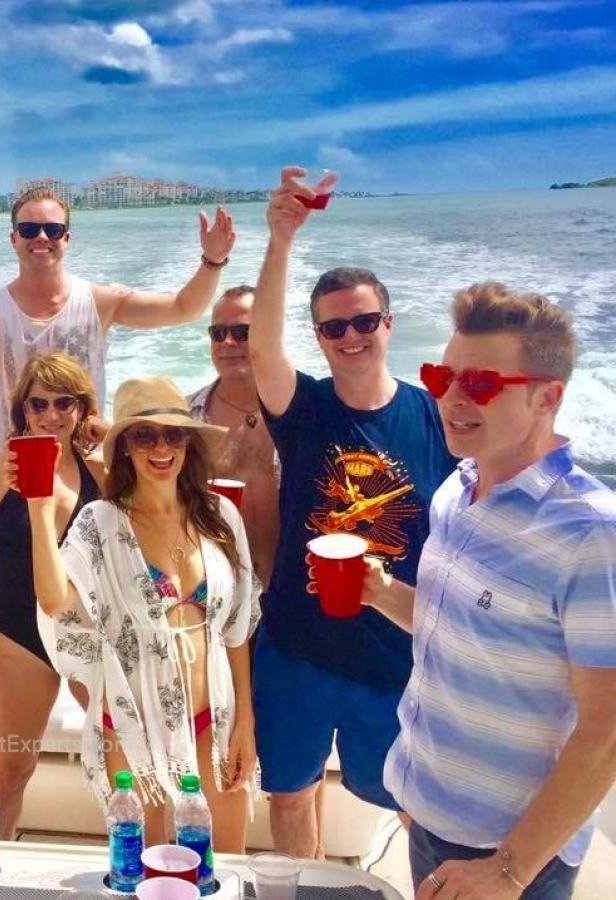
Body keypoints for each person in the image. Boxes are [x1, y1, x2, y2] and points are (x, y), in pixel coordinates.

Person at [360, 283, 616, 900]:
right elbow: (451, 626)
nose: (450, 398)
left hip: (509, 852)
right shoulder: (457, 490)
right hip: (428, 816)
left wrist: (509, 870)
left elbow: (607, 729)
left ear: (546, 398)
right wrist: (379, 591)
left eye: (478, 384)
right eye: (441, 375)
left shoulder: (590, 535)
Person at [247, 167, 457, 858]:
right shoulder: (304, 410)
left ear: (388, 324)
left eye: (365, 321)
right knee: (289, 791)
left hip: (394, 653)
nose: (351, 335)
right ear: (320, 337)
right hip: (297, 648)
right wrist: (280, 240)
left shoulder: (438, 421)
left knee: (412, 804)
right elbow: (262, 348)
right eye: (334, 326)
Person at [27, 376, 257, 851]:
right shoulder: (101, 523)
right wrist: (38, 508)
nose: (161, 448)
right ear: (125, 447)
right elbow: (54, 601)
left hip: (213, 717)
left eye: (173, 434)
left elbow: (236, 630)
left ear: (188, 444)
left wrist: (246, 725)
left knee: (224, 866)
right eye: (144, 435)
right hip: (132, 722)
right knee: (146, 870)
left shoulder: (221, 517)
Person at [0, 187, 237, 443]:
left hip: (90, 464)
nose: (42, 237)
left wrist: (213, 261)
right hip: (19, 469)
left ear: (66, 239)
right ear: (14, 239)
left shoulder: (101, 302)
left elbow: (184, 308)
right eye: (29, 229)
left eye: (54, 229)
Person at [0, 352, 105, 839]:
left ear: (82, 408)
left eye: (65, 403)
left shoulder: (107, 471)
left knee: (127, 755)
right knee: (11, 772)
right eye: (39, 404)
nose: (51, 416)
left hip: (87, 635)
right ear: (22, 410)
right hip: (13, 638)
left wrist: (110, 431)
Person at [187, 284, 280, 588]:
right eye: (218, 333)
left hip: (294, 592)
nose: (227, 342)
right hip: (215, 592)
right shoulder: (185, 421)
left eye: (242, 332)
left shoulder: (305, 414)